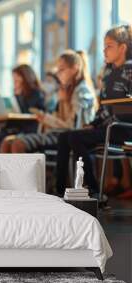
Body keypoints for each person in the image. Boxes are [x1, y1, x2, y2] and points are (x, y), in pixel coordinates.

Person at [56, 25, 132, 197]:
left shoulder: (130, 71)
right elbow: (104, 107)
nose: (104, 51)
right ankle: (59, 191)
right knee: (64, 137)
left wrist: (106, 118)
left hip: (124, 128)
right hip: (108, 127)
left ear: (122, 48)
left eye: (109, 46)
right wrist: (93, 124)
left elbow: (124, 107)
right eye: (104, 46)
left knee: (75, 137)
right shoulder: (108, 73)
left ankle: (92, 191)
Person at [0, 50, 96, 153]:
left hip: (66, 136)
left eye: (61, 70)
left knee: (18, 143)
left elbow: (74, 127)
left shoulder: (82, 92)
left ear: (75, 69)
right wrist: (45, 119)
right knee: (7, 142)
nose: (58, 75)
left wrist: (47, 118)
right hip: (56, 133)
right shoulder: (65, 90)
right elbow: (57, 119)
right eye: (58, 70)